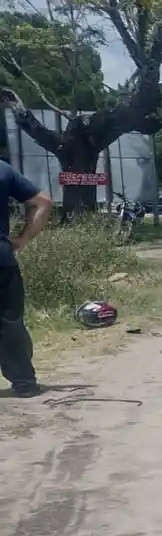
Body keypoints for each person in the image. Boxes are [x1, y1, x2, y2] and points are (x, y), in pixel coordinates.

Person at [0, 158, 53, 398]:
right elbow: (43, 202)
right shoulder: (3, 169)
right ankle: (24, 382)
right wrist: (22, 239)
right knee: (10, 324)